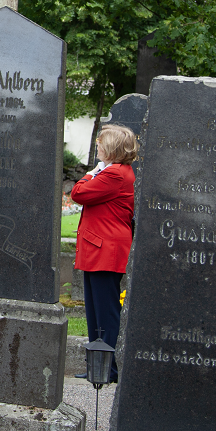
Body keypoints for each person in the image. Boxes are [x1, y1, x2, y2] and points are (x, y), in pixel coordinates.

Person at [72, 125, 138, 354]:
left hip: (105, 250)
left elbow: (78, 193)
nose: (97, 145)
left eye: (100, 142)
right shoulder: (116, 171)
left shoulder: (114, 173)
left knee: (104, 313)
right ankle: (97, 365)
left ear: (111, 148)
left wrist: (92, 173)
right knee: (96, 313)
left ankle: (108, 366)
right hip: (99, 249)